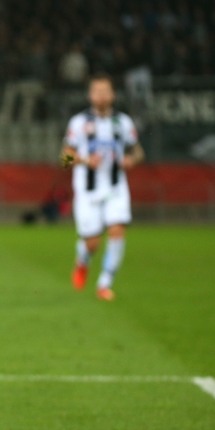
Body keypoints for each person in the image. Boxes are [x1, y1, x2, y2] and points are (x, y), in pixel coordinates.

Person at [61, 74, 143, 300]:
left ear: (113, 94)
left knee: (117, 230)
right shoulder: (79, 123)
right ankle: (82, 261)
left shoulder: (123, 122)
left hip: (116, 188)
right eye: (97, 91)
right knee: (92, 243)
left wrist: (130, 160)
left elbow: (137, 151)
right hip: (87, 192)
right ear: (90, 95)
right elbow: (64, 158)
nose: (102, 95)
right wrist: (85, 160)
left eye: (106, 91)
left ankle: (104, 283)